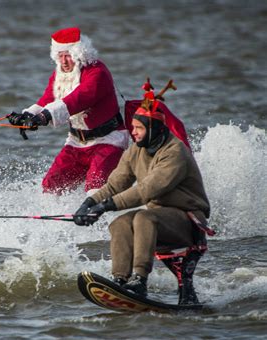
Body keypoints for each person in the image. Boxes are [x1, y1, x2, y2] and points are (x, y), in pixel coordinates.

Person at [73, 80, 211, 301]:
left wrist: (105, 206)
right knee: (119, 223)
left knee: (143, 218)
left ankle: (139, 280)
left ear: (154, 129)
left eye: (138, 128)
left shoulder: (175, 151)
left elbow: (148, 190)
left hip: (189, 221)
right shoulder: (135, 150)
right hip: (159, 216)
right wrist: (88, 204)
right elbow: (114, 185)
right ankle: (120, 280)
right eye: (133, 128)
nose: (133, 133)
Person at [8, 27, 129, 195]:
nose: (64, 61)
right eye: (60, 56)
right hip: (76, 142)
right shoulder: (61, 73)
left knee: (94, 188)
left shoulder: (97, 73)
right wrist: (28, 115)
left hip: (107, 141)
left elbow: (77, 100)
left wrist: (45, 116)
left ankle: (103, 219)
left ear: (80, 54)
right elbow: (48, 99)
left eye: (68, 56)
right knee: (50, 186)